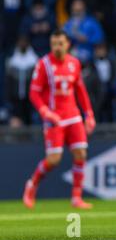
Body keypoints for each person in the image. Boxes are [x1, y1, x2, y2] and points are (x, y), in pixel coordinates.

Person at [23, 30, 96, 209]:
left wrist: (89, 114)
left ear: (67, 44)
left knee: (81, 154)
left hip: (73, 116)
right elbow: (34, 92)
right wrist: (45, 112)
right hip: (54, 118)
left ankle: (76, 198)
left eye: (60, 43)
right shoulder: (43, 64)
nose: (57, 47)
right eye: (54, 44)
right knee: (54, 159)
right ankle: (32, 184)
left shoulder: (74, 63)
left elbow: (80, 91)